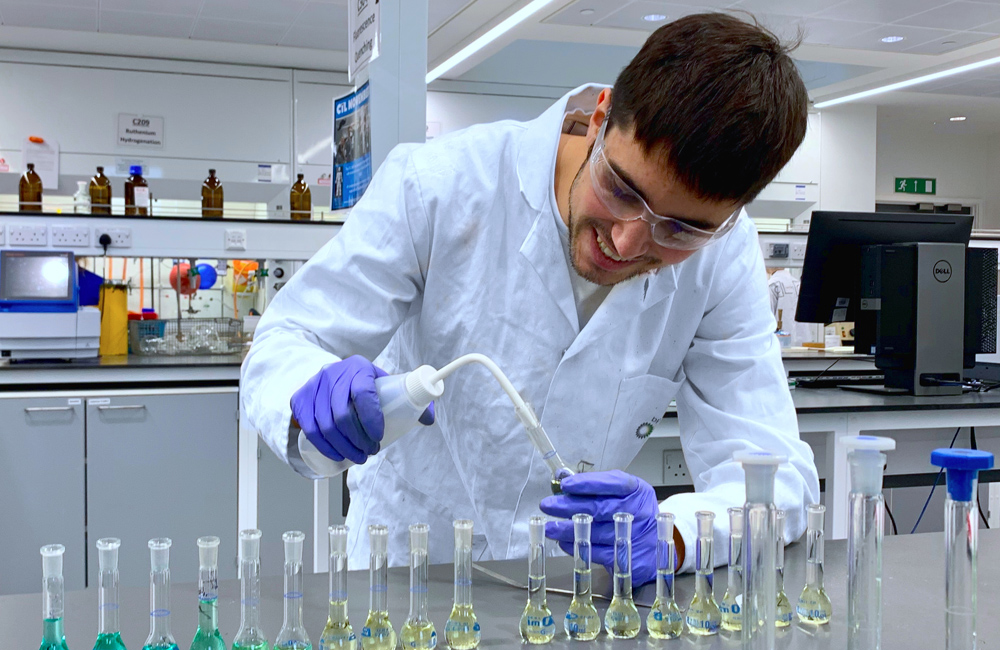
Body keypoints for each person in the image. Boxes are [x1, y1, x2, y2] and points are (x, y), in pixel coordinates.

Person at [241, 13, 820, 579]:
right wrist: (311, 393)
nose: (625, 240)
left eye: (679, 230)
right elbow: (288, 340)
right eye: (620, 188)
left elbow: (775, 475)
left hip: (573, 593)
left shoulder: (722, 253)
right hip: (413, 574)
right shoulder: (443, 183)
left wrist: (675, 536)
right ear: (599, 118)